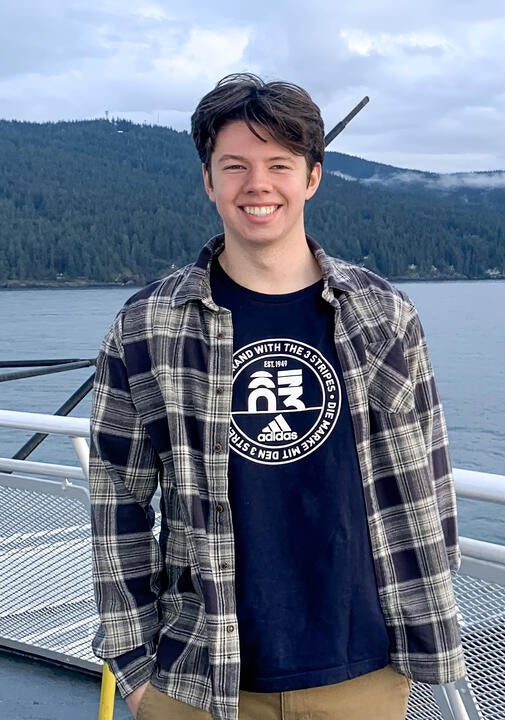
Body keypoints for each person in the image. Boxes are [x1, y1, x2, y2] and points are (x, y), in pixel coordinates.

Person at [88, 73, 465, 720]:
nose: (256, 185)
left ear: (312, 177)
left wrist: (419, 636)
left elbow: (427, 488)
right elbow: (116, 503)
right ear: (208, 181)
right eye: (234, 166)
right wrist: (136, 670)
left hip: (362, 672)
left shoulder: (383, 315)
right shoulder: (148, 325)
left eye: (279, 165)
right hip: (194, 675)